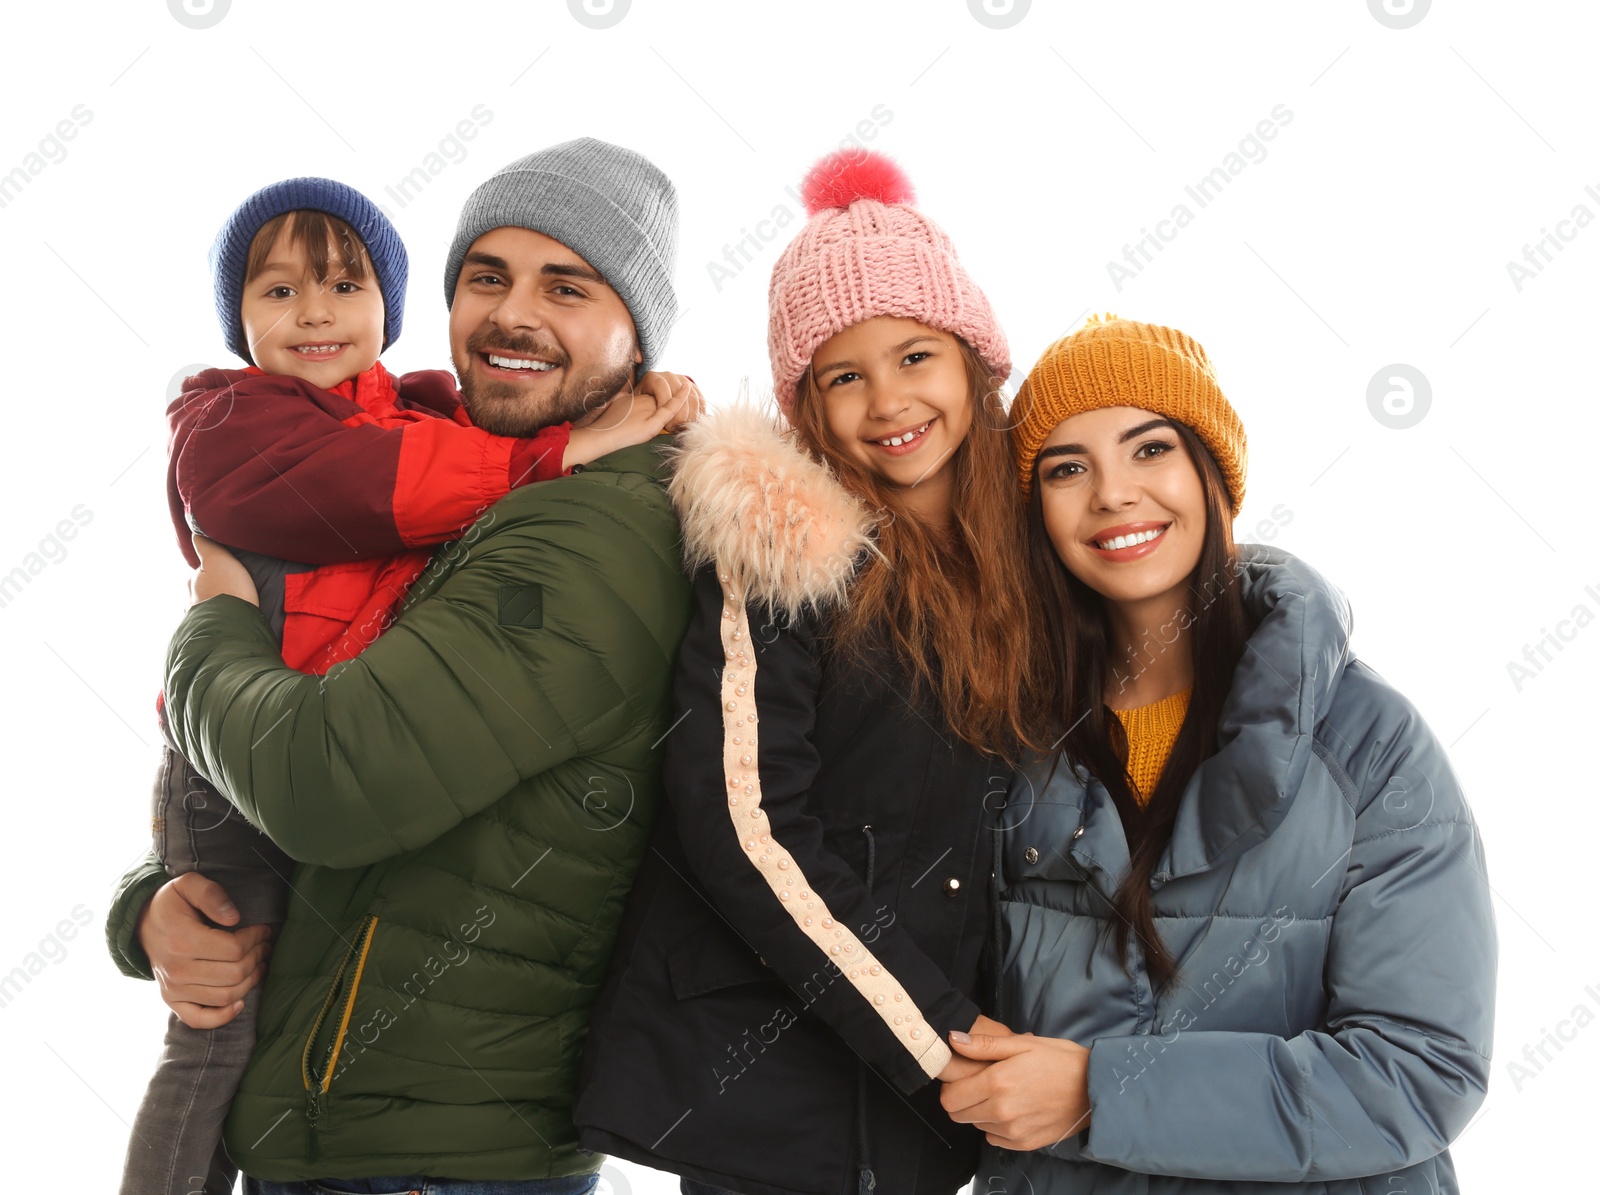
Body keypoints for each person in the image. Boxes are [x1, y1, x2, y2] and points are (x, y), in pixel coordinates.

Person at [104, 138, 696, 1193]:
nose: (513, 315)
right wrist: (157, 904)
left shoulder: (587, 529)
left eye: (566, 286)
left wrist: (208, 627)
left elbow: (333, 780)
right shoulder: (461, 463)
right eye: (486, 277)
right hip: (347, 1127)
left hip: (425, 1157)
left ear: (636, 335)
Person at [575, 149, 1046, 1195]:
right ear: (805, 401)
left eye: (915, 354)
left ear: (972, 358)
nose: (888, 400)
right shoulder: (783, 551)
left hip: (935, 1119)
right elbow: (744, 824)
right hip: (774, 1097)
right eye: (844, 374)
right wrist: (943, 1042)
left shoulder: (1028, 557)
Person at [941, 315, 1496, 1194]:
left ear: (1214, 474)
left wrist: (1100, 1094)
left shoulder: (1368, 743)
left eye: (1149, 448)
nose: (1114, 493)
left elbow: (1418, 1072)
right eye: (1067, 467)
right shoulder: (1004, 740)